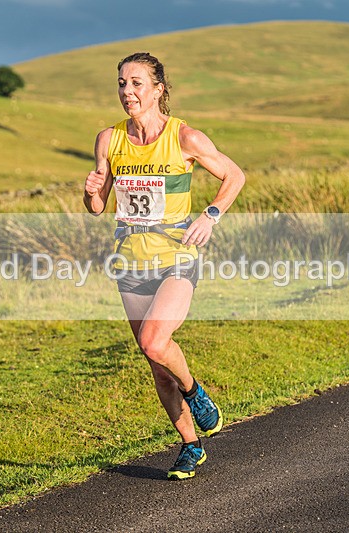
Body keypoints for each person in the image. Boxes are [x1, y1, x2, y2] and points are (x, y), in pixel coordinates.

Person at [83, 52, 245, 480]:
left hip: (176, 257)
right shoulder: (109, 139)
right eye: (122, 83)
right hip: (131, 262)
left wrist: (210, 215)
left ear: (158, 90)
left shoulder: (185, 137)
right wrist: (92, 190)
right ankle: (190, 446)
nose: (127, 92)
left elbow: (235, 176)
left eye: (137, 83)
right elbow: (98, 206)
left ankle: (196, 392)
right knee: (156, 364)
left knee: (155, 343)